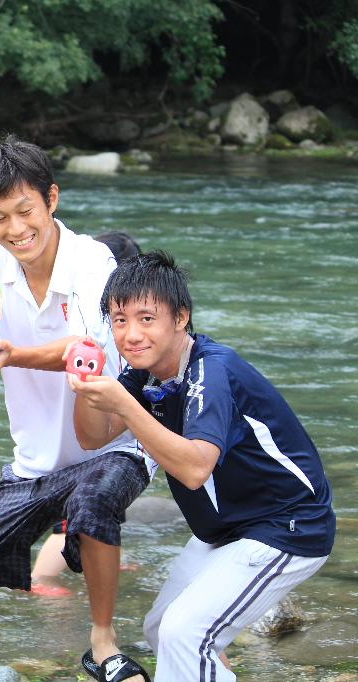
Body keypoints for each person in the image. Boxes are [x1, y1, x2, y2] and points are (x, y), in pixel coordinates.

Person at [68, 251, 333, 682]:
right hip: (227, 529)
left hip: (286, 527)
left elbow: (195, 469)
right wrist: (85, 385)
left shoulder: (211, 371)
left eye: (146, 318)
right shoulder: (146, 373)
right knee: (162, 628)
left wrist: (126, 407)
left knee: (185, 634)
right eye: (119, 320)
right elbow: (92, 436)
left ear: (180, 317)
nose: (131, 334)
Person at [0, 137, 151, 682]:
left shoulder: (92, 261)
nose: (16, 229)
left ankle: (103, 643)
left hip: (113, 441)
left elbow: (84, 348)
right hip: (35, 457)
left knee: (93, 501)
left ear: (52, 199)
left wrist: (11, 355)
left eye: (25, 211)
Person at [29, 229, 144, 597]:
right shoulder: (88, 314)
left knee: (102, 505)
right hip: (81, 433)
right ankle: (40, 578)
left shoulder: (91, 309)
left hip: (105, 434)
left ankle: (101, 555)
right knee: (72, 516)